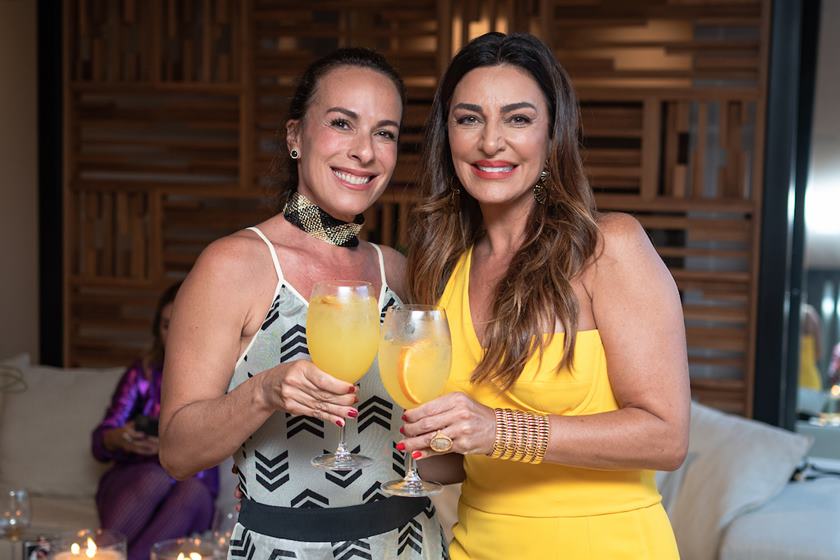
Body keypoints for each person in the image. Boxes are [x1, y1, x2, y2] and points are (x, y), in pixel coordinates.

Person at [400, 32, 690, 559]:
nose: (491, 142)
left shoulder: (608, 248)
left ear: (552, 133)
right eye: (469, 119)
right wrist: (409, 437)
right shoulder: (443, 270)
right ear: (447, 135)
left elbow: (665, 438)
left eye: (518, 118)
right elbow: (455, 462)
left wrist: (498, 430)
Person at [158, 48, 446, 559]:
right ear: (296, 136)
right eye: (342, 123)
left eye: (385, 132)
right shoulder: (233, 265)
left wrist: (456, 433)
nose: (365, 151)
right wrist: (264, 392)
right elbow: (178, 453)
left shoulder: (400, 271)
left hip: (409, 544)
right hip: (285, 549)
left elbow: (440, 463)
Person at [92, 282, 219, 560]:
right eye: (165, 325)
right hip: (136, 479)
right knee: (155, 476)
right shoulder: (143, 374)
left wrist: (170, 449)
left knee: (191, 492)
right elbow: (100, 443)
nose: (172, 334)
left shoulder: (218, 378)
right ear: (156, 329)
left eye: (180, 325)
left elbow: (219, 442)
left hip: (192, 485)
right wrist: (122, 437)